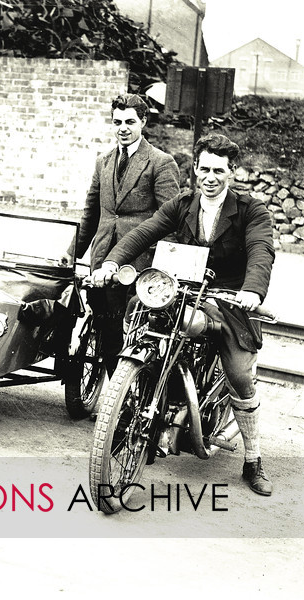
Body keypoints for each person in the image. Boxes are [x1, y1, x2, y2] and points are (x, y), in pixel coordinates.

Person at [87, 133, 275, 496]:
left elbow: (261, 250)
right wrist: (111, 262)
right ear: (195, 170)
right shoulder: (182, 203)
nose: (210, 177)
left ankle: (253, 459)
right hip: (183, 292)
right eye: (204, 168)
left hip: (230, 300)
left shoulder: (251, 210)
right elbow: (143, 233)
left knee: (238, 374)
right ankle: (142, 405)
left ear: (232, 172)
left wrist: (252, 290)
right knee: (142, 322)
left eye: (219, 170)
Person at [74, 93, 181, 374]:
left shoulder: (161, 162)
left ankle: (137, 399)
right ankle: (116, 400)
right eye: (117, 121)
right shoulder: (103, 161)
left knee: (136, 335)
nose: (123, 127)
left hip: (139, 265)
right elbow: (91, 214)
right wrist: (71, 254)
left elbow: (171, 220)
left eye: (130, 121)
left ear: (143, 122)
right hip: (102, 261)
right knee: (107, 332)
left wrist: (163, 270)